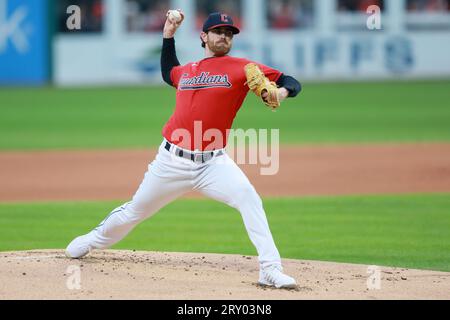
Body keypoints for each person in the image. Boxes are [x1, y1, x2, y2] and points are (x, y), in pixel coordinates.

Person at [66, 11, 302, 289]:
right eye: (218, 31)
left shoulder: (243, 67)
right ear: (204, 36)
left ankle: (270, 270)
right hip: (170, 162)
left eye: (229, 33)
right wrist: (168, 33)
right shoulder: (188, 71)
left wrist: (281, 93)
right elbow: (169, 72)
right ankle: (91, 241)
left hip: (213, 163)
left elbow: (290, 80)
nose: (224, 36)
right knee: (134, 211)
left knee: (249, 199)